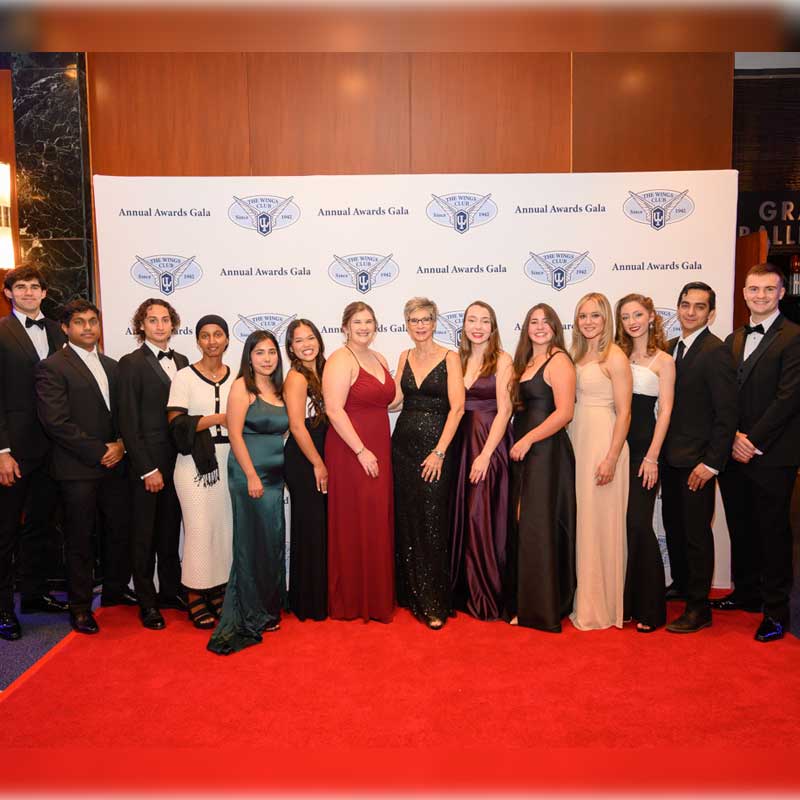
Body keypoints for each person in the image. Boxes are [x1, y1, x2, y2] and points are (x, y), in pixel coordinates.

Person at [35, 300, 131, 635]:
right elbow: (56, 422)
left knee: (118, 530)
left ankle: (116, 591)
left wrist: (121, 444)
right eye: (79, 322)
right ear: (65, 328)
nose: (88, 327)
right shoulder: (53, 367)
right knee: (79, 540)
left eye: (93, 321)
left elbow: (121, 414)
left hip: (115, 463)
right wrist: (98, 451)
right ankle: (79, 607)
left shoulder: (112, 365)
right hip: (77, 468)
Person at [716, 264, 800, 642]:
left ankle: (776, 611)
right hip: (734, 451)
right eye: (754, 289)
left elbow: (788, 398)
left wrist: (752, 440)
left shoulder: (794, 337)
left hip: (773, 454)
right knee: (741, 525)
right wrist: (733, 436)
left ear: (781, 293)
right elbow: (725, 397)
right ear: (745, 292)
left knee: (773, 532)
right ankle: (747, 592)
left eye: (769, 289)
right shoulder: (734, 338)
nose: (760, 295)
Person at [661, 282, 737, 634]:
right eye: (686, 305)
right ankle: (681, 584)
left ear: (711, 313)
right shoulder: (671, 348)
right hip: (669, 459)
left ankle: (698, 607)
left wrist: (710, 463)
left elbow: (727, 415)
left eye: (699, 307)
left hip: (697, 465)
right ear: (677, 308)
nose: (690, 312)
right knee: (675, 528)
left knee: (696, 535)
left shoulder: (716, 351)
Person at [208, 331, 289, 655]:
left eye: (271, 352)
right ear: (249, 357)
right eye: (260, 353)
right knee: (252, 542)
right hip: (249, 475)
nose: (267, 358)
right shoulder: (242, 386)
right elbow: (236, 436)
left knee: (271, 541)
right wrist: (253, 475)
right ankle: (250, 612)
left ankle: (268, 609)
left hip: (275, 475)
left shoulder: (280, 388)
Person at [0, 266, 68, 641]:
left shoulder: (60, 331)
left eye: (35, 287)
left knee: (41, 526)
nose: (28, 292)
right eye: (20, 287)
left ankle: (35, 594)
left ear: (44, 293)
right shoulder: (1, 332)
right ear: (9, 293)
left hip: (55, 450)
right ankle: (2, 607)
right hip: (15, 451)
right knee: (5, 531)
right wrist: (2, 451)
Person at [392, 297, 464, 629]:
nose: (420, 326)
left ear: (435, 323)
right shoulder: (404, 356)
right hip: (403, 447)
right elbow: (394, 400)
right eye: (413, 321)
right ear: (407, 325)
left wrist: (439, 452)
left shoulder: (450, 357)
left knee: (433, 521)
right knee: (407, 518)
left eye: (426, 320)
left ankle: (435, 601)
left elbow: (458, 409)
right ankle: (409, 594)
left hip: (436, 449)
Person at [118, 299, 188, 630]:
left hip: (180, 464)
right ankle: (147, 602)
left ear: (173, 324)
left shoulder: (184, 361)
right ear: (141, 325)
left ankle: (170, 591)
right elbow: (128, 422)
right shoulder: (130, 363)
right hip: (149, 466)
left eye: (165, 320)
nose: (159, 325)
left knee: (170, 531)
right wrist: (147, 468)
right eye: (152, 320)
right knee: (144, 536)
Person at [322, 302, 395, 622]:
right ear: (345, 327)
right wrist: (361, 451)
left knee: (377, 518)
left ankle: (377, 597)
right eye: (357, 322)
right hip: (351, 450)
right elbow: (334, 409)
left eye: (369, 321)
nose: (364, 327)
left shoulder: (378, 358)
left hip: (379, 444)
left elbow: (389, 400)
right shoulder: (340, 359)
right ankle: (353, 599)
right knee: (357, 519)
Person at [507, 304, 576, 632]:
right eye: (533, 322)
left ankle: (540, 610)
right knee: (524, 524)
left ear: (555, 327)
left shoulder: (558, 360)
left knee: (537, 526)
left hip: (545, 451)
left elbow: (564, 413)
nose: (539, 327)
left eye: (545, 322)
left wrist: (528, 440)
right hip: (525, 450)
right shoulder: (525, 362)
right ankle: (527, 602)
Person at [568, 292, 631, 631]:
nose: (588, 322)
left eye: (595, 315)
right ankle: (583, 597)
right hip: (578, 438)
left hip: (603, 444)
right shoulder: (577, 353)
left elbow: (625, 413)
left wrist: (611, 457)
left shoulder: (615, 357)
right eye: (582, 316)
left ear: (606, 319)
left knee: (599, 527)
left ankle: (600, 608)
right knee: (583, 524)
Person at [167, 315, 233, 629]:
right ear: (197, 341)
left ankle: (217, 590)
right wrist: (217, 418)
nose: (212, 341)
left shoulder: (238, 377)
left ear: (227, 339)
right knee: (198, 530)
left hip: (230, 459)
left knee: (223, 530)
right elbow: (177, 424)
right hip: (194, 463)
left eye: (218, 334)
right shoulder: (184, 377)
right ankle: (194, 594)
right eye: (205, 335)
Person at [615, 294, 675, 633]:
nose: (632, 321)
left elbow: (665, 411)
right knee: (620, 529)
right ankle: (625, 603)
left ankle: (651, 607)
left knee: (639, 525)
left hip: (643, 451)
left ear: (651, 316)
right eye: (625, 316)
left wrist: (653, 456)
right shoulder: (616, 355)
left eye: (638, 314)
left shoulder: (664, 360)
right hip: (615, 448)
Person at [450, 301, 513, 621]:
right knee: (463, 516)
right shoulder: (456, 360)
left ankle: (486, 594)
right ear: (463, 325)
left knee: (482, 518)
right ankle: (465, 591)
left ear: (493, 326)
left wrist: (486, 455)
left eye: (484, 321)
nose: (477, 326)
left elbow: (505, 410)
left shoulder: (502, 359)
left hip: (488, 444)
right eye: (471, 320)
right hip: (460, 446)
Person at [283, 319, 328, 621]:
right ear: (290, 348)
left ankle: (323, 595)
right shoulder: (296, 378)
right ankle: (308, 601)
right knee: (310, 527)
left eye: (310, 337)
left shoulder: (324, 370)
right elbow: (297, 426)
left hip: (322, 453)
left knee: (322, 528)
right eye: (299, 340)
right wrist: (318, 464)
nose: (306, 344)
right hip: (304, 458)